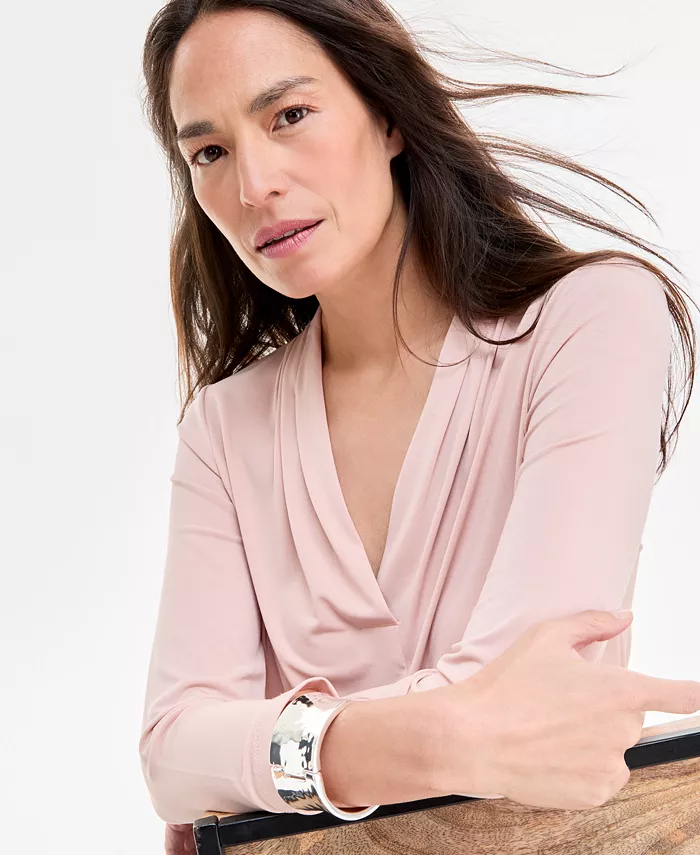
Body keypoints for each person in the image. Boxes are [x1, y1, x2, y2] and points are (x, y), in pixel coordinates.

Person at [137, 0, 700, 844]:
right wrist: (445, 739)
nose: (253, 186)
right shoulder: (225, 427)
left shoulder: (593, 317)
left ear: (389, 114)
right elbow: (170, 755)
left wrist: (260, 770)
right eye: (209, 152)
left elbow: (533, 698)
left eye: (289, 115)